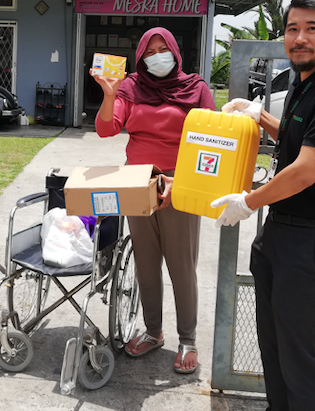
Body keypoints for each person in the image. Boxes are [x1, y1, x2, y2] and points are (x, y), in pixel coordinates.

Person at [212, 0, 315, 411]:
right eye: (292, 28)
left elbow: (305, 171)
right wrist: (259, 117)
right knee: (274, 347)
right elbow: (299, 140)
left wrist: (248, 201)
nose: (299, 38)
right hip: (281, 234)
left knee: (298, 358)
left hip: (313, 243)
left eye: (312, 28)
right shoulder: (305, 84)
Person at [92, 27, 215, 374]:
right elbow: (106, 128)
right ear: (140, 57)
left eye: (163, 49)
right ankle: (153, 331)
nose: (157, 56)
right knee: (146, 265)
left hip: (180, 185)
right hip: (138, 183)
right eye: (149, 51)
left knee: (181, 267)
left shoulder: (196, 88)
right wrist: (109, 93)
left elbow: (211, 141)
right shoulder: (130, 87)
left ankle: (188, 338)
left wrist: (184, 181)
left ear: (175, 52)